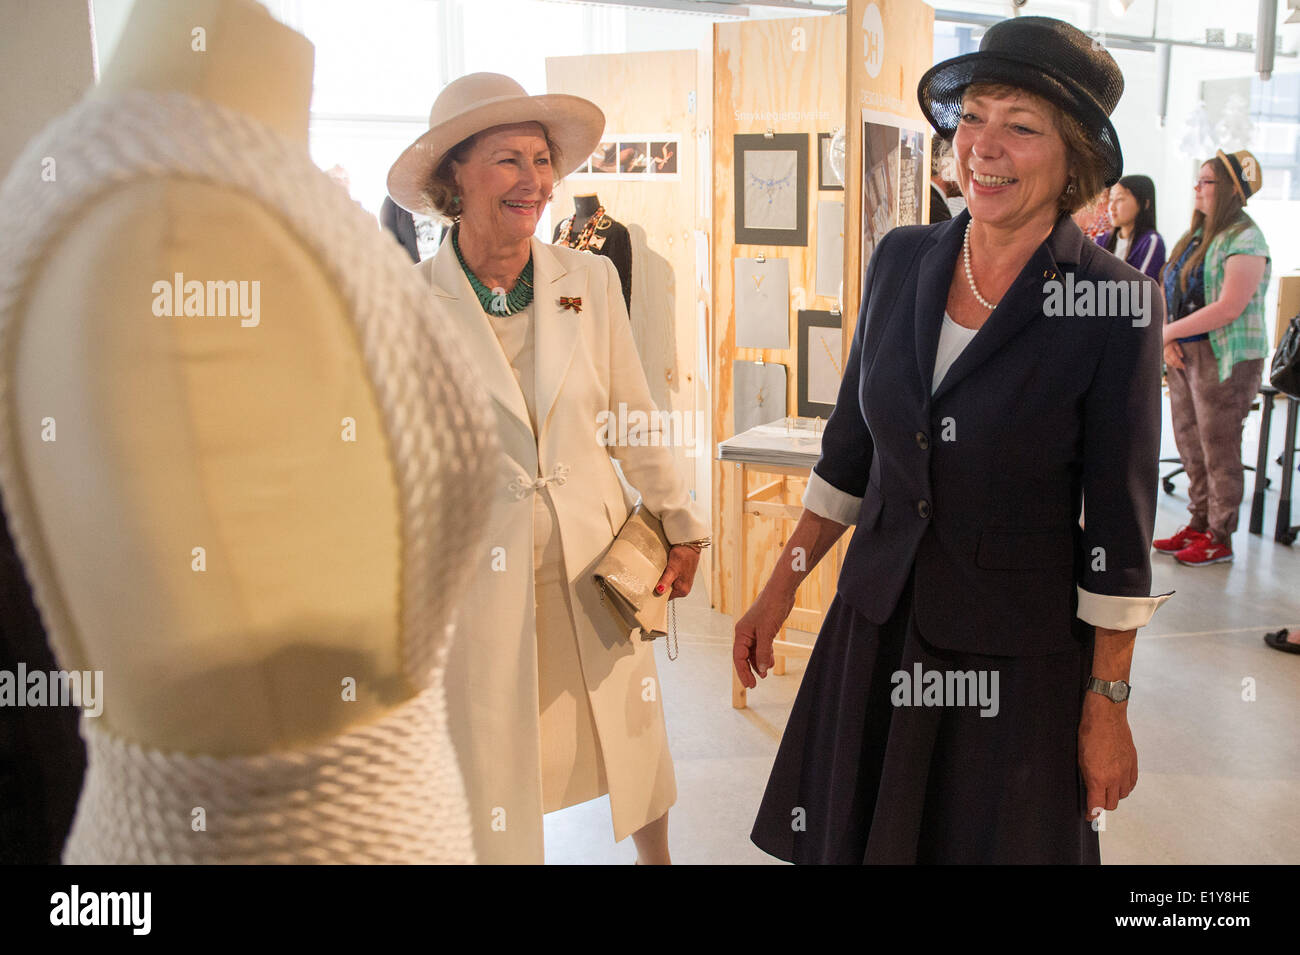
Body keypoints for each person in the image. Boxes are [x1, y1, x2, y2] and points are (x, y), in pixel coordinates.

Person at [737, 16, 1170, 864]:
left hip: (1013, 653)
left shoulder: (1116, 301)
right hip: (878, 621)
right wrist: (780, 586)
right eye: (973, 116)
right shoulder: (902, 259)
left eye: (1021, 126)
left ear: (1071, 157)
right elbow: (850, 451)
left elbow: (1118, 531)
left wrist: (1107, 702)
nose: (984, 146)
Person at [386, 73, 710, 865]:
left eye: (540, 159)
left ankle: (656, 860)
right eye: (506, 160)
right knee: (496, 753)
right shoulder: (408, 301)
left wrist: (680, 522)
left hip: (596, 561)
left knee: (631, 735)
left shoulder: (589, 280)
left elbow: (631, 415)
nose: (533, 180)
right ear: (454, 177)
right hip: (478, 571)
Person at [1154, 150, 1270, 566]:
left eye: (1206, 181)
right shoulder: (1199, 235)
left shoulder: (1246, 238)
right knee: (1189, 442)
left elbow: (1229, 307)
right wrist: (1167, 338)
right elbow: (1170, 288)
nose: (1197, 188)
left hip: (1225, 357)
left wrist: (1166, 332)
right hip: (1185, 352)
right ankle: (1198, 522)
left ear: (1230, 190)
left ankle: (1219, 535)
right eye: (1198, 180)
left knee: (1218, 447)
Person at [1097, 174, 1165, 279]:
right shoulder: (1102, 240)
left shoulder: (1150, 242)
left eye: (1120, 199)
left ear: (1145, 204)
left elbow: (1142, 288)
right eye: (1111, 199)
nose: (1112, 207)